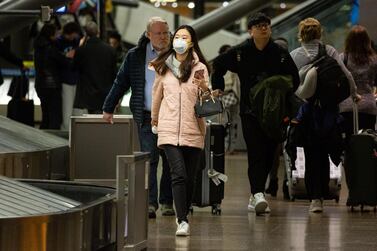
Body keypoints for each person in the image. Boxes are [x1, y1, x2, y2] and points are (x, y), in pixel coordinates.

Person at [211, 12, 300, 214]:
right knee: (256, 152)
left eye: (266, 24)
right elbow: (218, 65)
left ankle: (256, 193)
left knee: (270, 154)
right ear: (250, 30)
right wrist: (218, 87)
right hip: (249, 112)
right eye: (258, 25)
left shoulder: (279, 53)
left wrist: (281, 96)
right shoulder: (241, 52)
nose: (264, 28)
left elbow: (294, 78)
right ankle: (257, 193)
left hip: (274, 115)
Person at [102, 17, 174, 218]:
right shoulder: (136, 56)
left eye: (166, 33)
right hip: (146, 116)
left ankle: (167, 202)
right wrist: (108, 108)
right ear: (148, 34)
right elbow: (120, 82)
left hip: (172, 116)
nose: (163, 37)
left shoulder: (177, 55)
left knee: (170, 159)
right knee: (149, 159)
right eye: (158, 33)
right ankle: (151, 203)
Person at [290, 17, 358, 213]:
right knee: (327, 152)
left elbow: (292, 85)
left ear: (300, 34)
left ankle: (315, 199)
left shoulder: (295, 55)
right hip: (328, 111)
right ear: (320, 33)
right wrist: (354, 94)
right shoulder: (329, 51)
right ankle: (324, 189)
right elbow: (347, 75)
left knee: (311, 154)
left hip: (308, 111)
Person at [150, 24, 210, 236]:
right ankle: (182, 220)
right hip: (168, 128)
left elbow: (205, 101)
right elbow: (157, 96)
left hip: (193, 129)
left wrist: (204, 88)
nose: (179, 40)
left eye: (184, 37)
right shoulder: (163, 66)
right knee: (179, 174)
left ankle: (184, 211)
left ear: (191, 42)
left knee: (190, 178)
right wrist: (154, 120)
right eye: (177, 36)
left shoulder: (199, 67)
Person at [339, 25, 377, 139]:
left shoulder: (343, 58)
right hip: (368, 106)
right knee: (368, 142)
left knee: (348, 142)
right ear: (367, 41)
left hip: (347, 105)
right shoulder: (374, 60)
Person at [34, 23, 73, 129]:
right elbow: (64, 62)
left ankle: (42, 140)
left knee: (46, 115)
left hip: (40, 85)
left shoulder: (38, 46)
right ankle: (53, 142)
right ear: (50, 35)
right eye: (56, 33)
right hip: (52, 86)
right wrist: (67, 56)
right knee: (55, 117)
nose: (58, 35)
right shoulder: (50, 48)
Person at [74, 21, 117, 114]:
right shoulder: (110, 50)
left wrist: (80, 46)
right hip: (105, 93)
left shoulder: (81, 50)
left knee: (89, 123)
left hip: (87, 94)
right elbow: (114, 74)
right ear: (98, 32)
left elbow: (74, 68)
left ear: (86, 33)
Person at [56, 22, 81, 130]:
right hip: (65, 80)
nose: (73, 37)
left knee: (77, 109)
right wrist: (66, 56)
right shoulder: (58, 42)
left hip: (76, 79)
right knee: (67, 110)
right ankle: (66, 131)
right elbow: (55, 58)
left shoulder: (77, 42)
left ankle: (76, 132)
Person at [216, 44, 240, 153]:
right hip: (222, 97)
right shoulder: (218, 65)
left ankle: (231, 147)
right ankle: (223, 147)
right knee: (223, 124)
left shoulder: (234, 66)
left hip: (232, 96)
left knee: (233, 123)